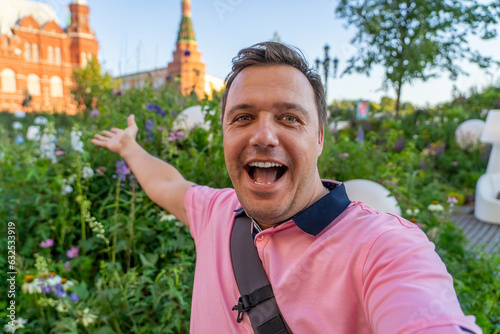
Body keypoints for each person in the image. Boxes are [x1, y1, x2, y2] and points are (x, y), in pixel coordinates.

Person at [92, 42, 482, 333]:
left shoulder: (383, 247)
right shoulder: (215, 211)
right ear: (224, 133)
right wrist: (129, 146)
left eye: (289, 118)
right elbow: (167, 183)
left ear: (319, 139)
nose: (263, 135)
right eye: (243, 117)